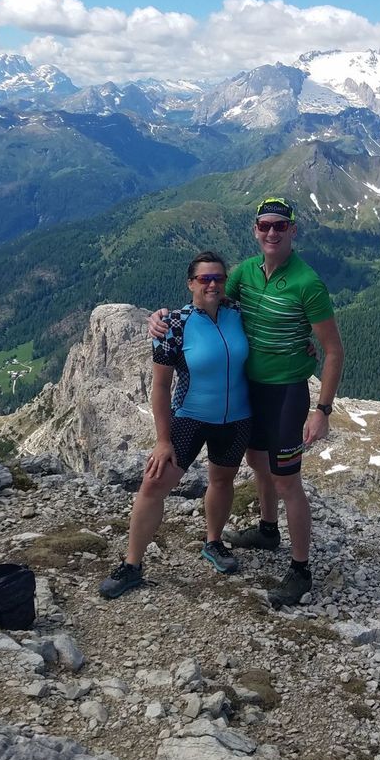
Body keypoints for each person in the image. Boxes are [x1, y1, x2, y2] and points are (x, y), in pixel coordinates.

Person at [148, 197, 344, 608]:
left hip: (285, 393)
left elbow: (333, 350)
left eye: (280, 226)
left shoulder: (307, 283)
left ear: (293, 230)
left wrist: (322, 410)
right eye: (264, 225)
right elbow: (210, 302)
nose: (272, 232)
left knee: (287, 480)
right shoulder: (244, 273)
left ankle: (301, 570)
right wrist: (163, 318)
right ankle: (268, 529)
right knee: (257, 462)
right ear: (256, 230)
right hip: (249, 388)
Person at [100, 252, 252, 599]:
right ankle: (132, 565)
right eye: (204, 279)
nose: (212, 284)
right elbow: (160, 386)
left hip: (237, 418)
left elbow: (274, 331)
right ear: (190, 284)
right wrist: (162, 439)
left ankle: (214, 542)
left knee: (222, 480)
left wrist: (302, 345)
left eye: (218, 278)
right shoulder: (173, 325)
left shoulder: (239, 314)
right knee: (153, 485)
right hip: (189, 417)